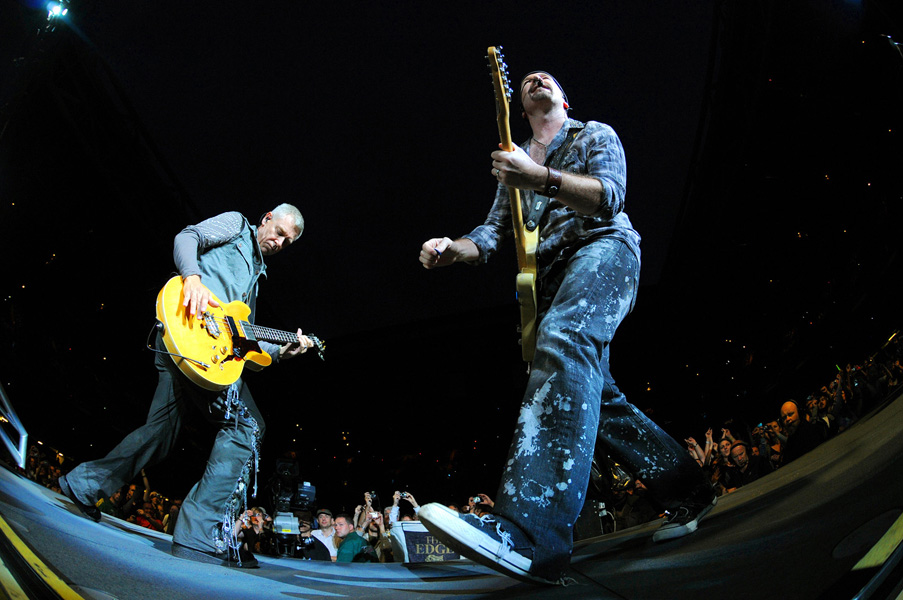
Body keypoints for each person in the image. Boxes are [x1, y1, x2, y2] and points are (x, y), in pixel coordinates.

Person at [417, 70, 714, 584]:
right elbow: (489, 235)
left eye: (545, 77)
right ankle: (688, 490)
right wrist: (451, 249)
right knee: (598, 399)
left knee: (565, 338)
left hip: (604, 249)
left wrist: (539, 178)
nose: (535, 78)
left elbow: (609, 197)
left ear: (562, 97)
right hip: (551, 280)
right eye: (528, 79)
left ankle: (532, 534)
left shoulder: (592, 134)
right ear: (520, 106)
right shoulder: (513, 161)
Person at [59, 205, 317, 569]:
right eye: (279, 232)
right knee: (248, 426)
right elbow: (187, 237)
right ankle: (198, 532)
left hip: (195, 352)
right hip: (189, 334)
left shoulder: (256, 278)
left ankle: (84, 485)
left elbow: (243, 342)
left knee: (161, 431)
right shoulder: (236, 225)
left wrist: (284, 351)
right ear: (267, 217)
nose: (279, 242)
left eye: (287, 242)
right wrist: (192, 277)